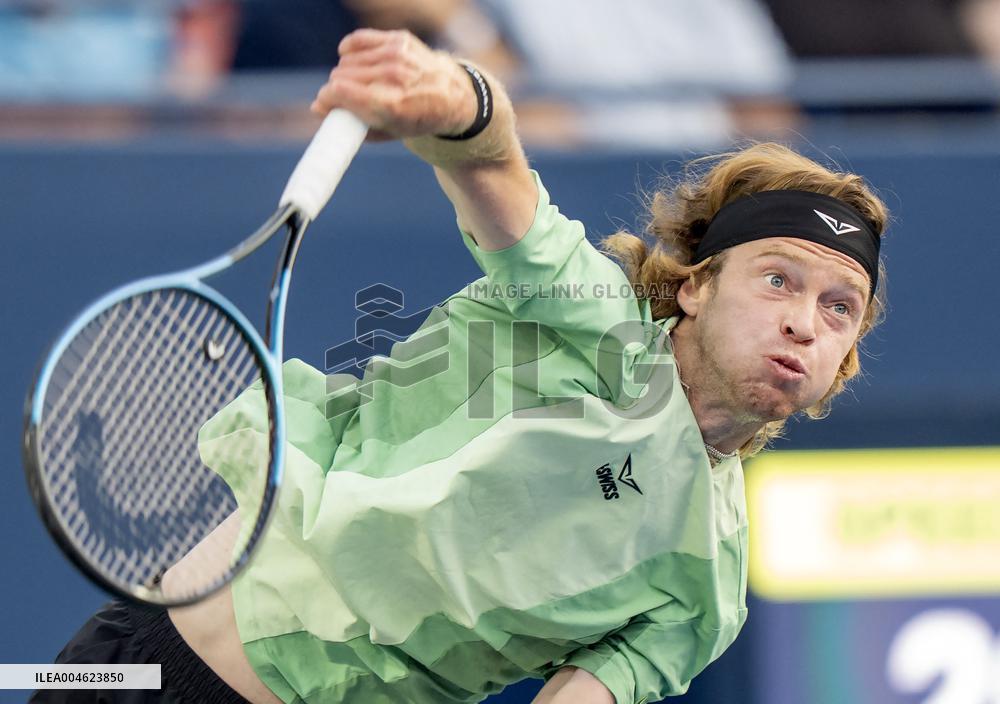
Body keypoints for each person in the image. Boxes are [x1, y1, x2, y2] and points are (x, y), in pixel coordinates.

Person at [32, 27, 889, 704]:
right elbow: (492, 163)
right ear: (698, 286)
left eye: (837, 308)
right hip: (132, 662)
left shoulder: (709, 587)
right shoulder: (589, 315)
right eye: (778, 278)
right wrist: (461, 98)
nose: (803, 322)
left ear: (846, 355)